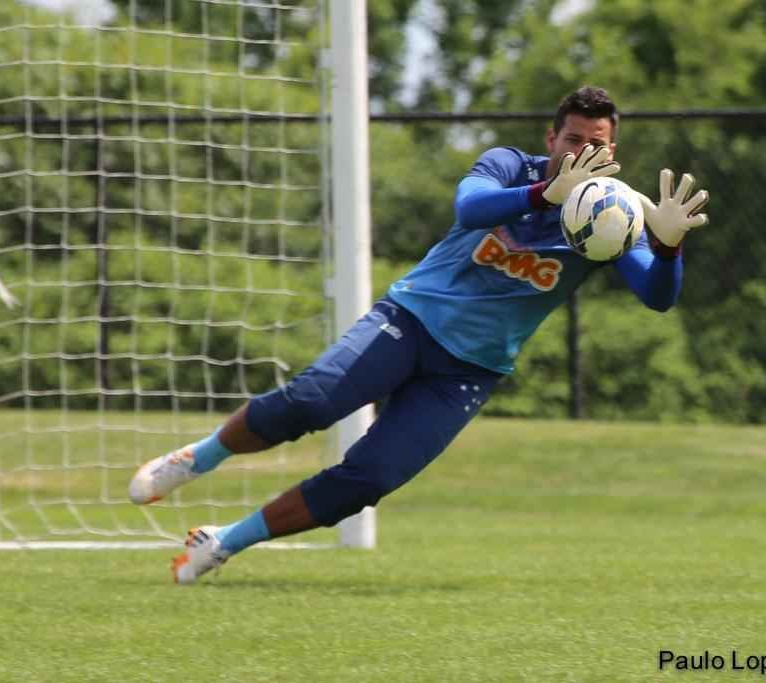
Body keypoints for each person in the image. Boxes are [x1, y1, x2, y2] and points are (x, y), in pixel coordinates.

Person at [128, 85, 709, 584]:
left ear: (614, 150)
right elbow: (469, 208)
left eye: (597, 144)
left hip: (469, 371)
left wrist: (667, 246)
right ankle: (196, 458)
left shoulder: (617, 214)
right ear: (551, 138)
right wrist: (542, 195)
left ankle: (223, 541)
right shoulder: (511, 166)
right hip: (409, 322)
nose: (583, 152)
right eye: (573, 139)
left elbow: (658, 297)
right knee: (309, 402)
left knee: (369, 480)